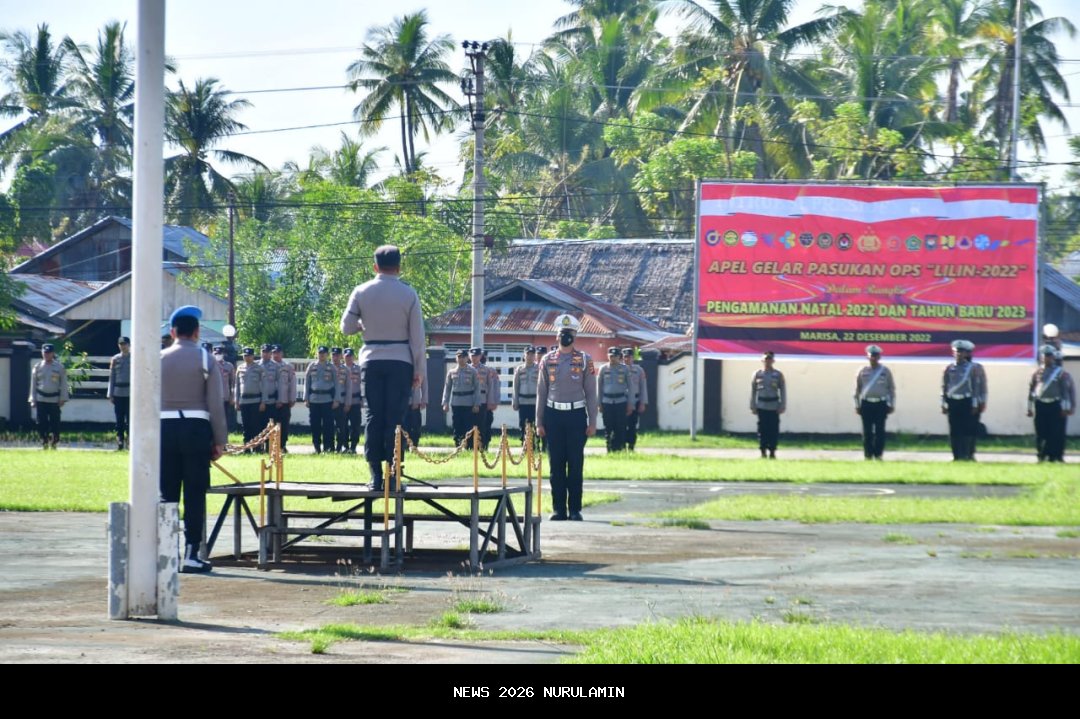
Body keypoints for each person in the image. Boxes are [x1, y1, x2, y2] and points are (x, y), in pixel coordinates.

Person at [340, 244, 426, 491]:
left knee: (373, 417)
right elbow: (417, 338)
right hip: (401, 361)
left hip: (371, 359)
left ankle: (375, 476)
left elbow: (345, 327)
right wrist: (419, 370)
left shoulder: (361, 291)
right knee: (396, 419)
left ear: (374, 266)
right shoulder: (409, 294)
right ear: (399, 267)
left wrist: (361, 327)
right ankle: (394, 476)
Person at [159, 305, 227, 573]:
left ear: (173, 332)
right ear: (197, 332)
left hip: (164, 428)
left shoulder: (159, 358)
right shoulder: (204, 359)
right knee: (195, 493)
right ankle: (191, 554)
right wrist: (219, 439)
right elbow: (216, 403)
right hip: (196, 428)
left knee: (167, 493)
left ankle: (167, 552)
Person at [536, 314, 598, 521]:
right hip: (553, 415)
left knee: (575, 463)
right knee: (556, 464)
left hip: (576, 415)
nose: (565, 336)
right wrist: (539, 421)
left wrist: (592, 421)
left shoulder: (584, 360)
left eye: (569, 333)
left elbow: (590, 392)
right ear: (556, 336)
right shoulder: (547, 360)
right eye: (562, 333)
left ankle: (575, 509)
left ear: (575, 335)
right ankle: (558, 509)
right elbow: (541, 392)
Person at [941, 339, 988, 461]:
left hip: (967, 401)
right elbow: (944, 386)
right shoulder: (949, 368)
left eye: (962, 352)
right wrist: (943, 403)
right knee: (954, 430)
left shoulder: (974, 368)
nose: (959, 354)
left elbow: (979, 387)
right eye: (957, 352)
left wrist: (978, 403)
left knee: (969, 429)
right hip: (953, 402)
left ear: (967, 353)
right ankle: (956, 456)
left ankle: (968, 454)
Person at [1028, 345, 1075, 462]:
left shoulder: (1060, 373)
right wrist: (1029, 407)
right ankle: (1042, 455)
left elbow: (1065, 392)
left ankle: (1056, 456)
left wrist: (1066, 408)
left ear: (1053, 357)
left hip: (1055, 405)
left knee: (1056, 432)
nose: (1046, 358)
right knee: (1041, 432)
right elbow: (1031, 390)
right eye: (1044, 355)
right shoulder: (1036, 373)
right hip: (1040, 404)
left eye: (1048, 355)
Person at [854, 345, 896, 460]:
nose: (873, 358)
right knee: (867, 431)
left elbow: (891, 389)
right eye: (871, 355)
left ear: (879, 357)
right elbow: (857, 389)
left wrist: (892, 404)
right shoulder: (862, 371)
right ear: (867, 357)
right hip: (866, 403)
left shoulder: (885, 371)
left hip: (881, 404)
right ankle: (868, 455)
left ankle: (878, 455)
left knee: (880, 431)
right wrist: (857, 405)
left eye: (876, 356)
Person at [29, 343, 68, 449]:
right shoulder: (37, 367)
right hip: (41, 398)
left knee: (55, 422)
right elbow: (33, 384)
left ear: (53, 353)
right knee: (41, 422)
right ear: (42, 353)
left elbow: (64, 383)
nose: (47, 355)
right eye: (45, 353)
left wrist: (63, 398)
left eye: (49, 353)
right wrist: (33, 399)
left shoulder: (59, 367)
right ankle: (44, 440)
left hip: (54, 399)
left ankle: (54, 441)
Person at [442, 349, 481, 448]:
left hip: (468, 403)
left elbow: (477, 388)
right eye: (459, 357)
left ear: (467, 358)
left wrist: (476, 404)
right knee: (457, 426)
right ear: (456, 358)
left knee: (468, 426)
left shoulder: (473, 371)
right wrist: (445, 403)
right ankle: (458, 446)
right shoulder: (451, 372)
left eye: (463, 357)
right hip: (456, 403)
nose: (461, 359)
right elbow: (447, 388)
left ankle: (469, 447)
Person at [750, 351, 785, 459]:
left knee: (773, 429)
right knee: (762, 429)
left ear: (773, 361)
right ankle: (763, 451)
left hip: (774, 406)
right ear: (762, 361)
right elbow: (753, 391)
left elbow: (783, 391)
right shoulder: (757, 374)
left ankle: (772, 451)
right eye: (766, 359)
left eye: (770, 359)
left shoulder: (778, 374)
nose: (767, 361)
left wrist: (782, 405)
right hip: (761, 406)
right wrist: (753, 405)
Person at [304, 346, 338, 454]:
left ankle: (328, 447)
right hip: (314, 400)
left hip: (327, 400)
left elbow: (337, 384)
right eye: (320, 353)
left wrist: (336, 399)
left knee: (328, 425)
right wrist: (306, 398)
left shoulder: (331, 367)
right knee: (315, 425)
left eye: (323, 353)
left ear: (327, 354)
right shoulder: (312, 366)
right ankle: (317, 447)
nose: (321, 355)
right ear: (317, 354)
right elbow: (307, 382)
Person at [597, 347, 632, 453]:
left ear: (619, 357)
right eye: (611, 356)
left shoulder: (625, 369)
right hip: (607, 402)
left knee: (620, 426)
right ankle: (609, 449)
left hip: (621, 401)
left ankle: (620, 449)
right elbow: (599, 387)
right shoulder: (603, 369)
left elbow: (630, 387)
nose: (612, 358)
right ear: (608, 356)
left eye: (615, 356)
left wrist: (630, 403)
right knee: (608, 427)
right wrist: (599, 403)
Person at [234, 347, 267, 449]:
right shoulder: (240, 368)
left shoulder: (259, 369)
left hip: (255, 401)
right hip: (244, 401)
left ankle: (256, 447)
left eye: (249, 355)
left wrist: (263, 402)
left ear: (253, 356)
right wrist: (236, 401)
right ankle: (247, 447)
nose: (247, 357)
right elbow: (237, 386)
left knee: (255, 425)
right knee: (246, 426)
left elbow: (264, 386)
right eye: (245, 355)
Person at [107, 336, 132, 450]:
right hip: (118, 392)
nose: (123, 346)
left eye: (125, 344)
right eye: (121, 344)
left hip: (130, 392)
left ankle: (130, 441)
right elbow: (112, 377)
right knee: (119, 420)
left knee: (130, 419)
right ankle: (120, 441)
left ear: (129, 345)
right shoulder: (115, 359)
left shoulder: (134, 358)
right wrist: (110, 394)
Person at [513, 346, 539, 446]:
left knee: (535, 424)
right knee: (523, 424)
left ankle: (535, 445)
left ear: (535, 356)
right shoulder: (519, 369)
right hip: (523, 401)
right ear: (524, 355)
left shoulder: (539, 368)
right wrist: (515, 401)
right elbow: (515, 386)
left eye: (532, 354)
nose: (530, 356)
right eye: (528, 354)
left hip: (535, 402)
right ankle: (525, 445)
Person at [623, 347, 648, 451]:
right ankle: (622, 446)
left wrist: (643, 402)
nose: (627, 359)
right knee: (622, 426)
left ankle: (631, 447)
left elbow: (643, 387)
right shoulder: (619, 369)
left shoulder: (639, 370)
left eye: (629, 357)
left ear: (633, 357)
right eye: (625, 357)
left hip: (635, 401)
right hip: (622, 401)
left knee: (632, 426)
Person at [272, 345, 296, 453]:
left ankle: (282, 445)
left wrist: (292, 398)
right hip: (270, 402)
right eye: (274, 353)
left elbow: (292, 383)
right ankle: (271, 446)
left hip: (285, 401)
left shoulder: (288, 367)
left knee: (284, 425)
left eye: (278, 352)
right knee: (270, 425)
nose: (276, 355)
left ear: (282, 353)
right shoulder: (266, 366)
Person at [468, 347, 492, 450]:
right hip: (469, 400)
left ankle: (482, 447)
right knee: (469, 424)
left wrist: (490, 402)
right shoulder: (466, 368)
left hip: (482, 400)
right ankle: (469, 447)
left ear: (480, 356)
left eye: (476, 356)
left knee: (481, 425)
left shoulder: (486, 370)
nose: (474, 358)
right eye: (472, 356)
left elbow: (490, 386)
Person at [258, 343, 280, 451]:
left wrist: (279, 399)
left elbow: (279, 384)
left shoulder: (275, 366)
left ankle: (269, 447)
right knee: (259, 425)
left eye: (267, 352)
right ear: (260, 352)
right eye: (263, 352)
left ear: (270, 353)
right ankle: (259, 446)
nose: (265, 354)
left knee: (270, 425)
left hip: (271, 400)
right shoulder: (256, 365)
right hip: (259, 401)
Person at [342, 348, 364, 454]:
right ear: (343, 357)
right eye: (346, 356)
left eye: (350, 356)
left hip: (355, 401)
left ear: (353, 357)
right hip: (343, 402)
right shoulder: (340, 369)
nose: (348, 358)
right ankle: (345, 446)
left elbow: (363, 385)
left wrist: (362, 399)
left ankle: (353, 446)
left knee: (355, 425)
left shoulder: (358, 369)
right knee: (343, 425)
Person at [212, 346, 236, 433]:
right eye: (216, 354)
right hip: (212, 398)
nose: (218, 355)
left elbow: (233, 383)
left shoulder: (229, 366)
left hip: (225, 398)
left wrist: (232, 396)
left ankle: (223, 443)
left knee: (224, 421)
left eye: (220, 354)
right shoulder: (209, 365)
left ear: (223, 354)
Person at [403, 373, 427, 447]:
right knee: (404, 426)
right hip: (403, 403)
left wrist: (424, 400)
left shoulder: (418, 369)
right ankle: (404, 446)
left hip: (416, 403)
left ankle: (414, 446)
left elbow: (424, 382)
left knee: (416, 426)